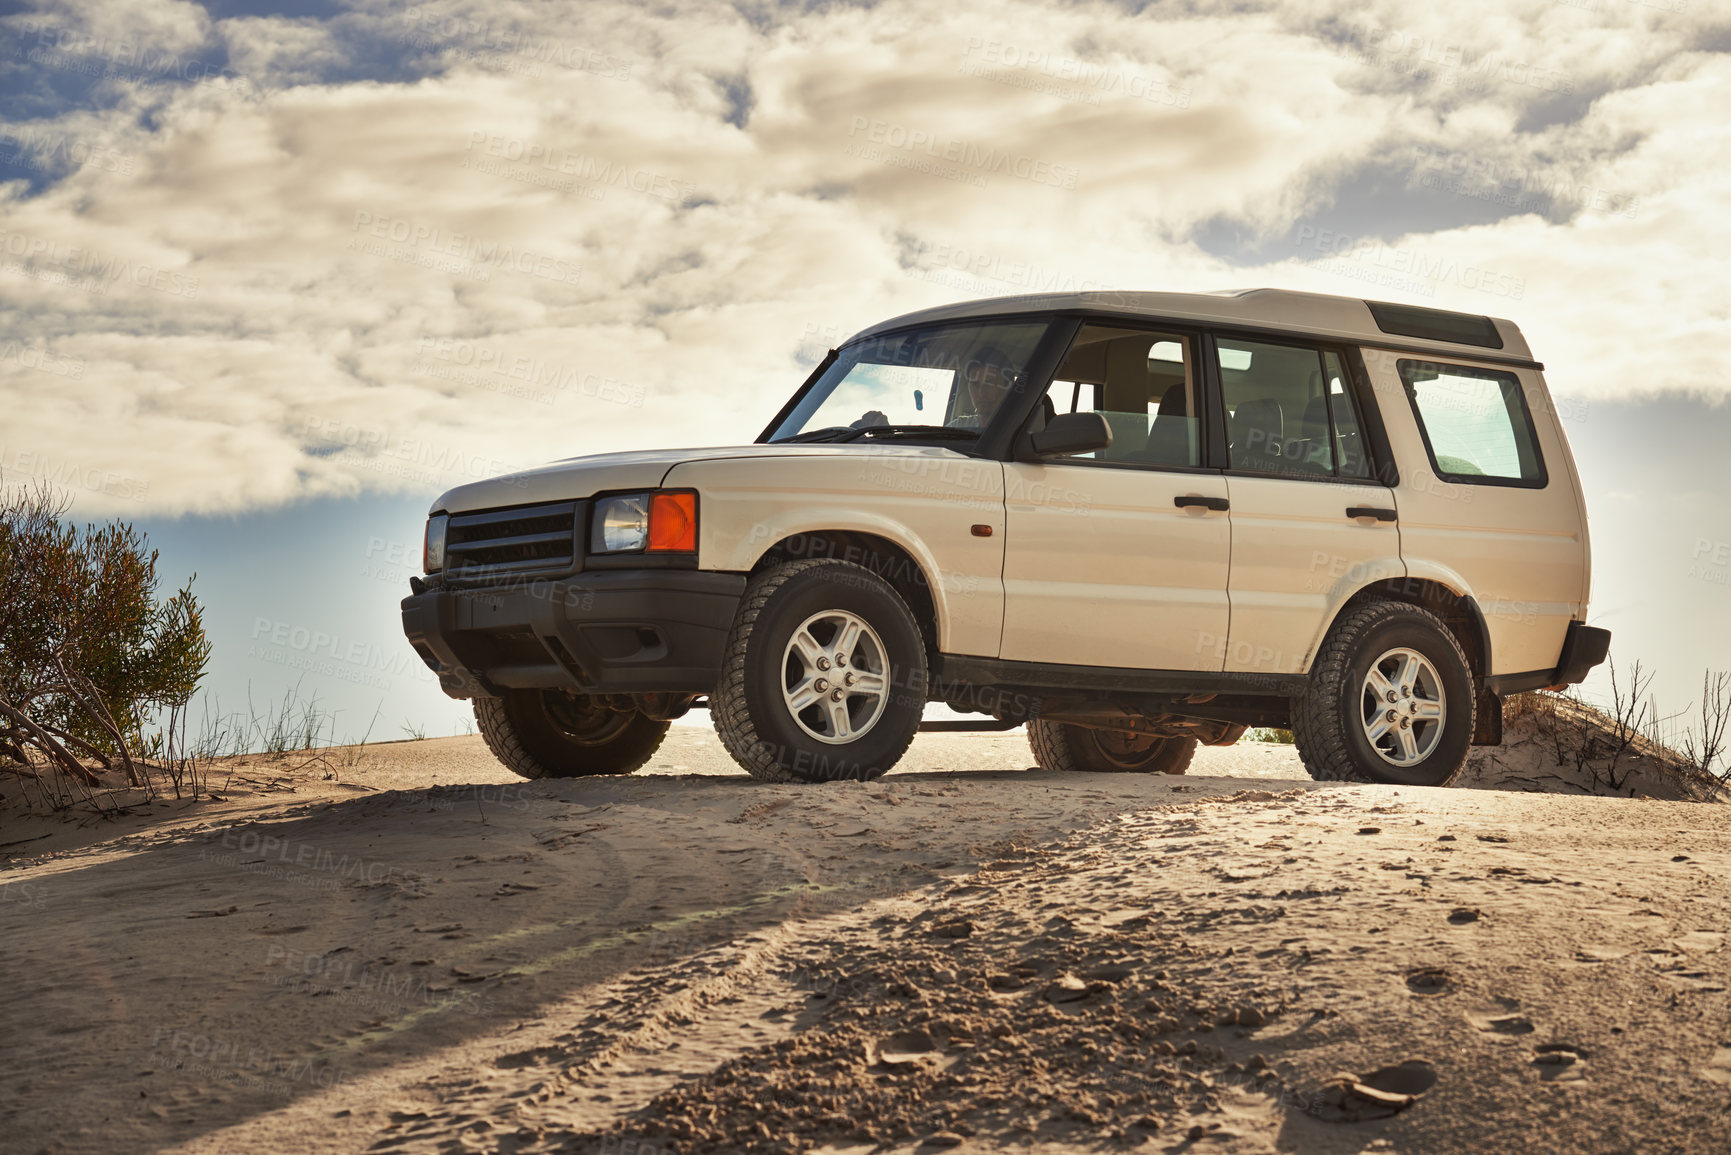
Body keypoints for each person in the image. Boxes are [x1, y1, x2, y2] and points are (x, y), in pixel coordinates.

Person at [947, 346, 1016, 429]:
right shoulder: (958, 427)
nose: (981, 393)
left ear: (1008, 387)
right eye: (975, 384)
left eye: (990, 383)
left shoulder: (1020, 429)